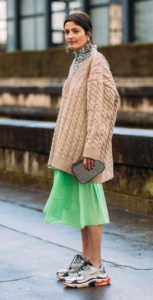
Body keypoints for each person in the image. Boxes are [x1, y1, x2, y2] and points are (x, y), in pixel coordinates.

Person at [43, 12, 120, 288]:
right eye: (66, 31)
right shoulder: (78, 63)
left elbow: (100, 109)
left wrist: (92, 148)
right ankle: (87, 260)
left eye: (75, 30)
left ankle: (97, 268)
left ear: (88, 33)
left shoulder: (96, 63)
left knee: (92, 207)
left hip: (88, 153)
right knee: (82, 210)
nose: (70, 36)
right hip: (74, 150)